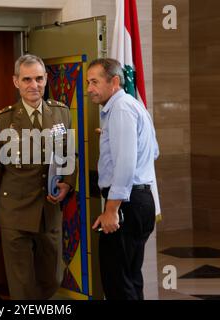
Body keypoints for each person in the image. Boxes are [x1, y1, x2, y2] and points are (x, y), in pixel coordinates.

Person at [0, 54, 76, 300]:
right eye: (27, 79)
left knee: (52, 279)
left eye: (39, 78)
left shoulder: (61, 113)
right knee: (22, 286)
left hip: (49, 211)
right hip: (14, 212)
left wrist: (67, 183)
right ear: (16, 82)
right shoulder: (3, 119)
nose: (34, 85)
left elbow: (68, 154)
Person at [87, 58, 159, 300]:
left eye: (95, 82)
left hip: (126, 203)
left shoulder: (120, 109)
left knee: (117, 282)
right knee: (130, 278)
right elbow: (153, 151)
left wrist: (111, 210)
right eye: (88, 82)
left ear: (114, 81)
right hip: (141, 200)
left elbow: (126, 164)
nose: (89, 89)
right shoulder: (132, 105)